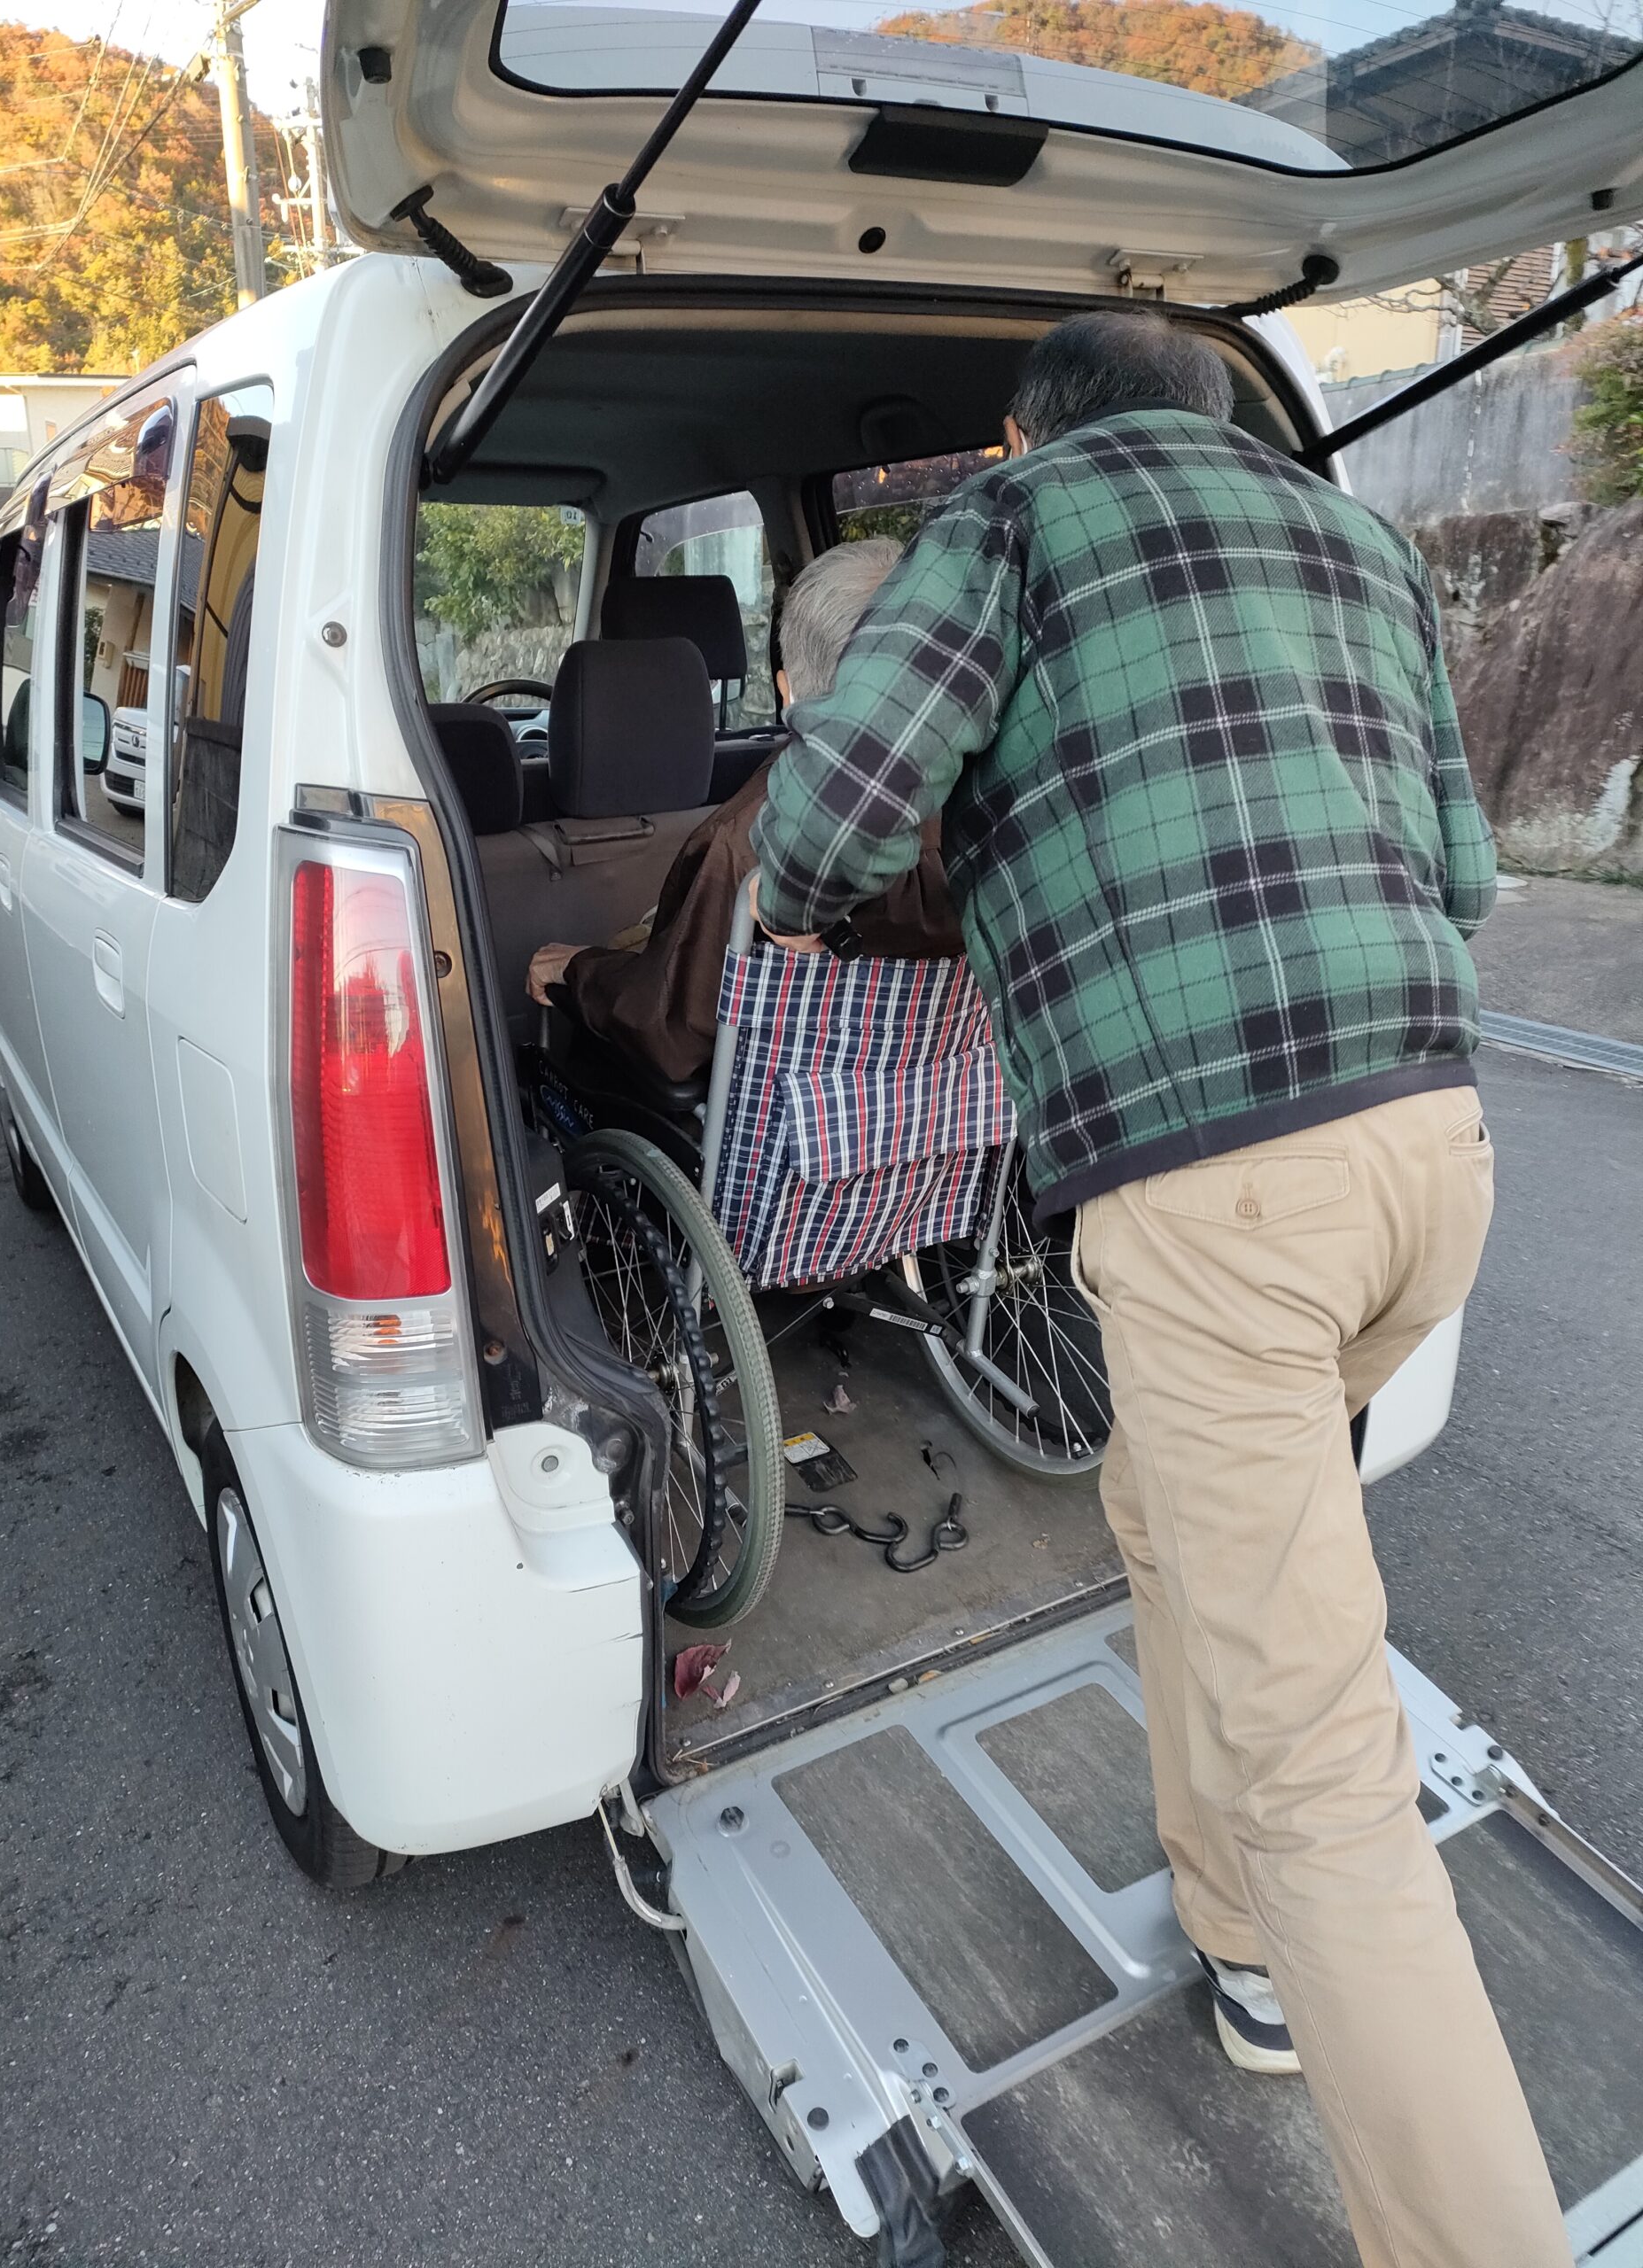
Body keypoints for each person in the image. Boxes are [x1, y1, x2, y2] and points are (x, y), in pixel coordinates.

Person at [750, 309, 1568, 2268]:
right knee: (1169, 1520)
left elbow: (821, 835)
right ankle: (1239, 1941)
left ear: (1027, 427)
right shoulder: (1357, 542)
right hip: (1428, 1160)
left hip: (1219, 1204)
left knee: (1330, 1775)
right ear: (1219, 417)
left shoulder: (1010, 524)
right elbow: (1462, 872)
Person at [526, 540, 963, 1082]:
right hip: (954, 1139)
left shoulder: (759, 840)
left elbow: (669, 1033)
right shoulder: (1006, 819)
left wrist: (577, 967)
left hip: (778, 1148)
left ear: (786, 692)